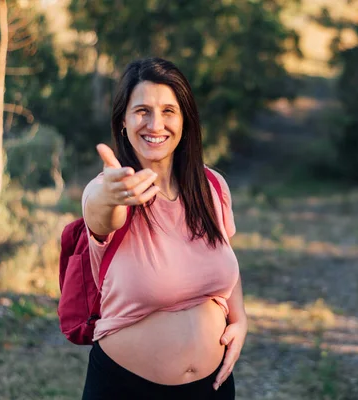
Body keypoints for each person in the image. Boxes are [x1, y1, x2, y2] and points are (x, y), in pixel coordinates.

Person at [80, 57, 246, 399]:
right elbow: (100, 212)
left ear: (185, 119)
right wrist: (111, 193)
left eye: (168, 110)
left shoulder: (212, 186)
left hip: (212, 387)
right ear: (123, 121)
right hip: (125, 388)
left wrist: (239, 319)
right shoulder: (111, 192)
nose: (155, 124)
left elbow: (226, 258)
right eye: (142, 110)